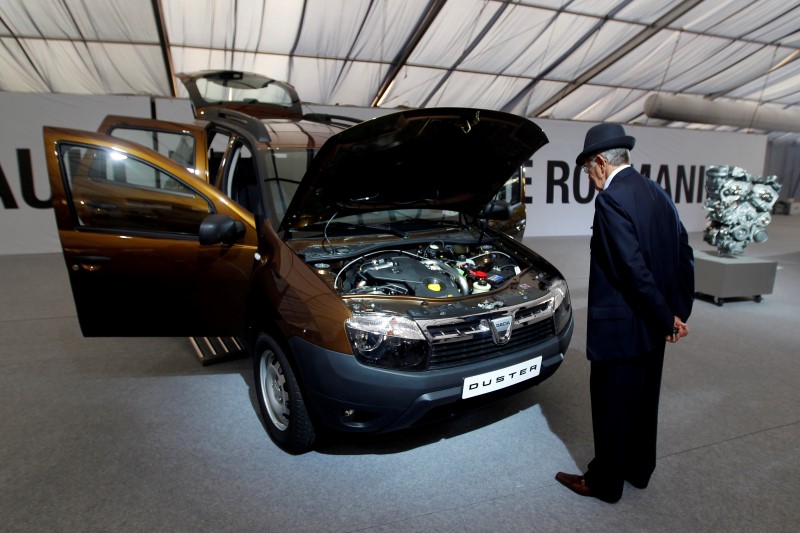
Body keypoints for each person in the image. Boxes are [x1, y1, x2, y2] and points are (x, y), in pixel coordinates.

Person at [555, 123, 695, 503]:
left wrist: (666, 316)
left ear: (600, 162)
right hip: (653, 325)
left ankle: (604, 483)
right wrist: (676, 313)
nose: (589, 177)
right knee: (644, 400)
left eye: (587, 169)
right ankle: (638, 470)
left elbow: (632, 270)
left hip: (623, 327)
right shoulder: (657, 192)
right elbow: (685, 253)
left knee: (612, 404)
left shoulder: (611, 199)